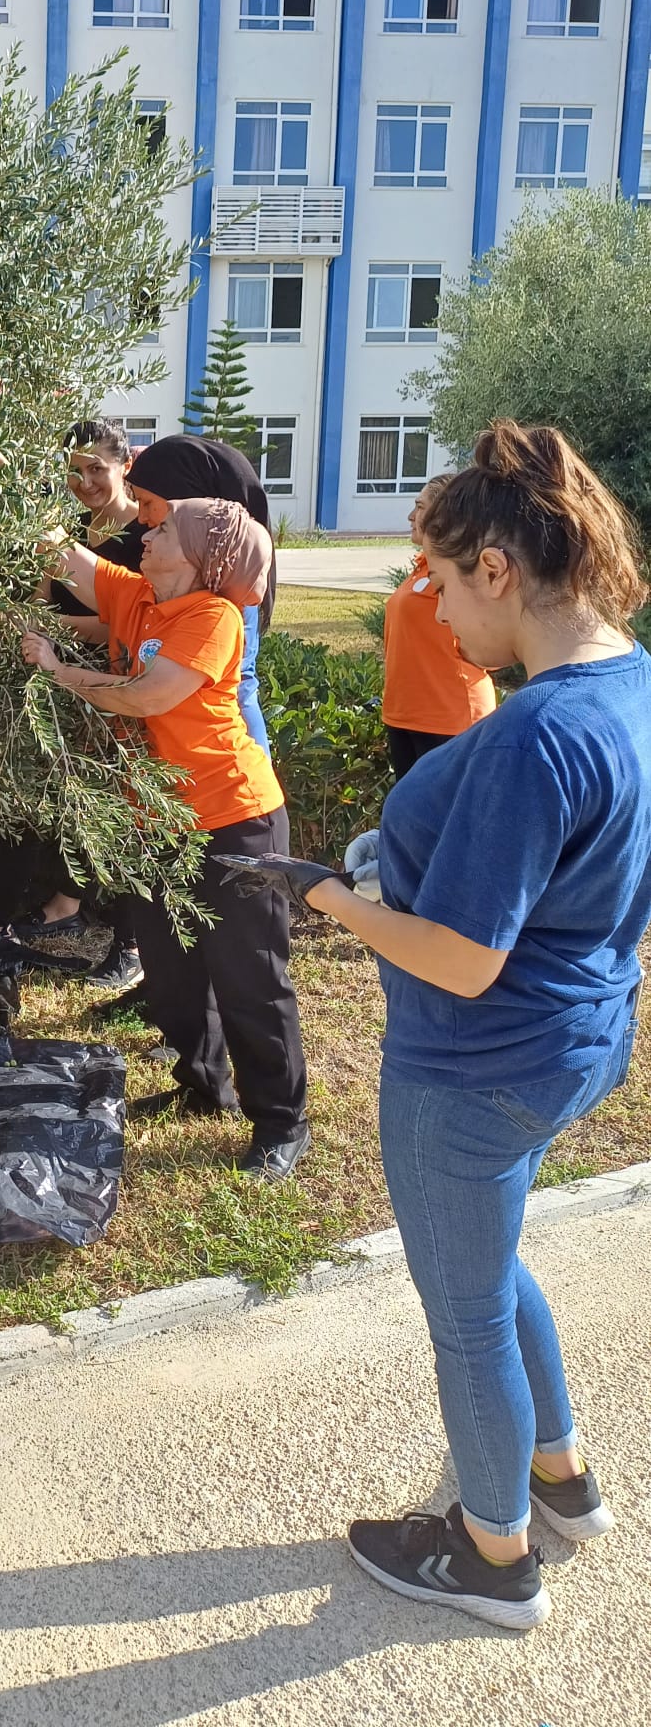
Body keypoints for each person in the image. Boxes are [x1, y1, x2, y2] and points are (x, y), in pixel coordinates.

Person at [221, 423, 650, 1628]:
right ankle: (560, 1479)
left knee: (465, 1310)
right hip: (574, 1038)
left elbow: (463, 959)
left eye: (445, 581)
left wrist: (331, 898)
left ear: (500, 568)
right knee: (494, 1261)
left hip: (474, 1068)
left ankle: (493, 1552)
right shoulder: (632, 681)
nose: (439, 610)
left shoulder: (536, 732)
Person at [24, 494, 310, 1179]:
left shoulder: (212, 616)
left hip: (236, 820)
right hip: (160, 823)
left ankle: (280, 1122)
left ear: (202, 556)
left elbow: (151, 694)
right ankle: (200, 1083)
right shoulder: (139, 598)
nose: (147, 534)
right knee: (173, 972)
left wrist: (61, 672)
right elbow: (60, 549)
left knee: (250, 978)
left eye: (164, 530)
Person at [0, 417, 146, 987]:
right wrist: (24, 622)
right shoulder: (72, 530)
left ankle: (129, 944)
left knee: (121, 804)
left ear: (125, 464)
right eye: (74, 470)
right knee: (49, 793)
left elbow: (122, 623)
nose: (85, 481)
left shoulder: (146, 536)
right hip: (60, 679)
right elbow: (42, 597)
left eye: (96, 467)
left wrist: (48, 632)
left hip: (122, 680)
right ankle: (62, 906)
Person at [123, 435, 276, 752]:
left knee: (242, 690)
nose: (141, 516)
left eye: (148, 502)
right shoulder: (201, 570)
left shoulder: (223, 607)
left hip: (234, 786)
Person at [382, 474, 496, 778]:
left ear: (443, 514)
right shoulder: (422, 569)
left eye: (420, 507)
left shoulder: (466, 571)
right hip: (404, 716)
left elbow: (493, 632)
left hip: (450, 717)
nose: (411, 516)